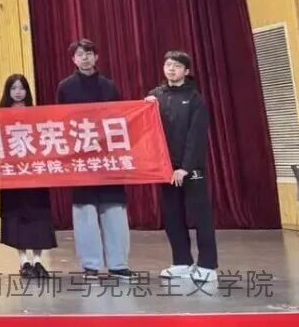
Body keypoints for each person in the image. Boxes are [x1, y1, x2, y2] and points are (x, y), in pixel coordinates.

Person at [55, 39, 131, 279]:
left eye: (88, 53)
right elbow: (60, 122)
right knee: (85, 212)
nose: (85, 58)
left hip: (108, 158)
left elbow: (120, 119)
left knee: (114, 211)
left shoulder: (109, 86)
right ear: (73, 59)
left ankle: (118, 264)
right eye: (79, 54)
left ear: (96, 57)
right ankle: (91, 264)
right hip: (81, 158)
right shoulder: (65, 87)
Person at [146, 51, 218, 285]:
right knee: (172, 216)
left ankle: (207, 265)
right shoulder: (156, 96)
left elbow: (196, 137)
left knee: (200, 217)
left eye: (177, 66)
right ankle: (182, 262)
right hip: (166, 169)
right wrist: (146, 108)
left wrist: (185, 167)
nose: (171, 69)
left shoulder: (195, 98)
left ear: (186, 71)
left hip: (190, 169)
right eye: (168, 65)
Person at [0, 74, 56, 279]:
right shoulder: (0, 116)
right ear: (8, 91)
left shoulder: (37, 114)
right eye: (13, 88)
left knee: (38, 216)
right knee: (17, 217)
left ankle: (38, 260)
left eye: (21, 88)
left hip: (35, 174)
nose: (18, 92)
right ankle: (23, 261)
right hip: (12, 175)